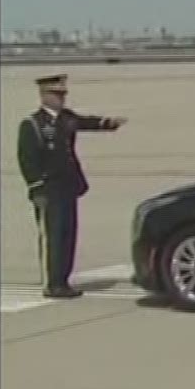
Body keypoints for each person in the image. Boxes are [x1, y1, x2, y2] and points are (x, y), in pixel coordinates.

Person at [15, 74, 126, 298]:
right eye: (56, 94)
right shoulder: (33, 124)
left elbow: (85, 122)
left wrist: (107, 124)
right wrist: (36, 186)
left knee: (68, 235)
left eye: (63, 94)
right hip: (48, 189)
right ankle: (52, 283)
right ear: (44, 95)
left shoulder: (66, 118)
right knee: (52, 236)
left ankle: (63, 281)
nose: (61, 98)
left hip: (68, 186)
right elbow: (26, 158)